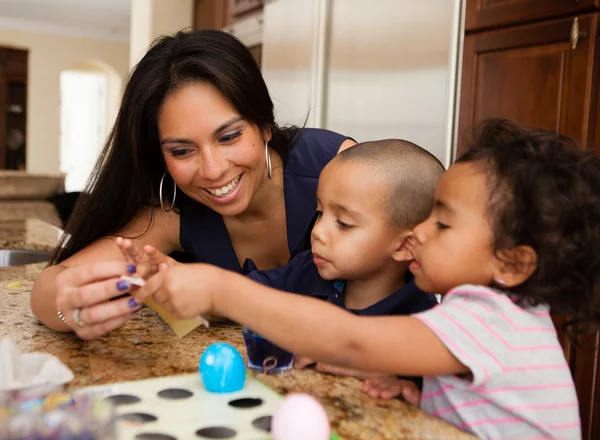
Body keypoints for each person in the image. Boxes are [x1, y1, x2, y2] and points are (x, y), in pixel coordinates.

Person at [131, 119, 600, 439]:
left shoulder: (492, 319)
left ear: (512, 264)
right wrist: (420, 397)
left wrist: (219, 288)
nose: (416, 233)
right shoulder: (496, 315)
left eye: (441, 223)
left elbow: (351, 341)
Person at [30, 29, 355, 339]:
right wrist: (67, 311)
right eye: (182, 151)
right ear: (160, 156)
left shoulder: (339, 169)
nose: (212, 170)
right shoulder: (171, 210)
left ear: (265, 126)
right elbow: (51, 286)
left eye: (229, 137)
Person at [244, 139, 441, 384]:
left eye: (344, 223)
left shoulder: (424, 326)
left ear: (404, 246)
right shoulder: (308, 270)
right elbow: (246, 292)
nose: (318, 231)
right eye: (319, 213)